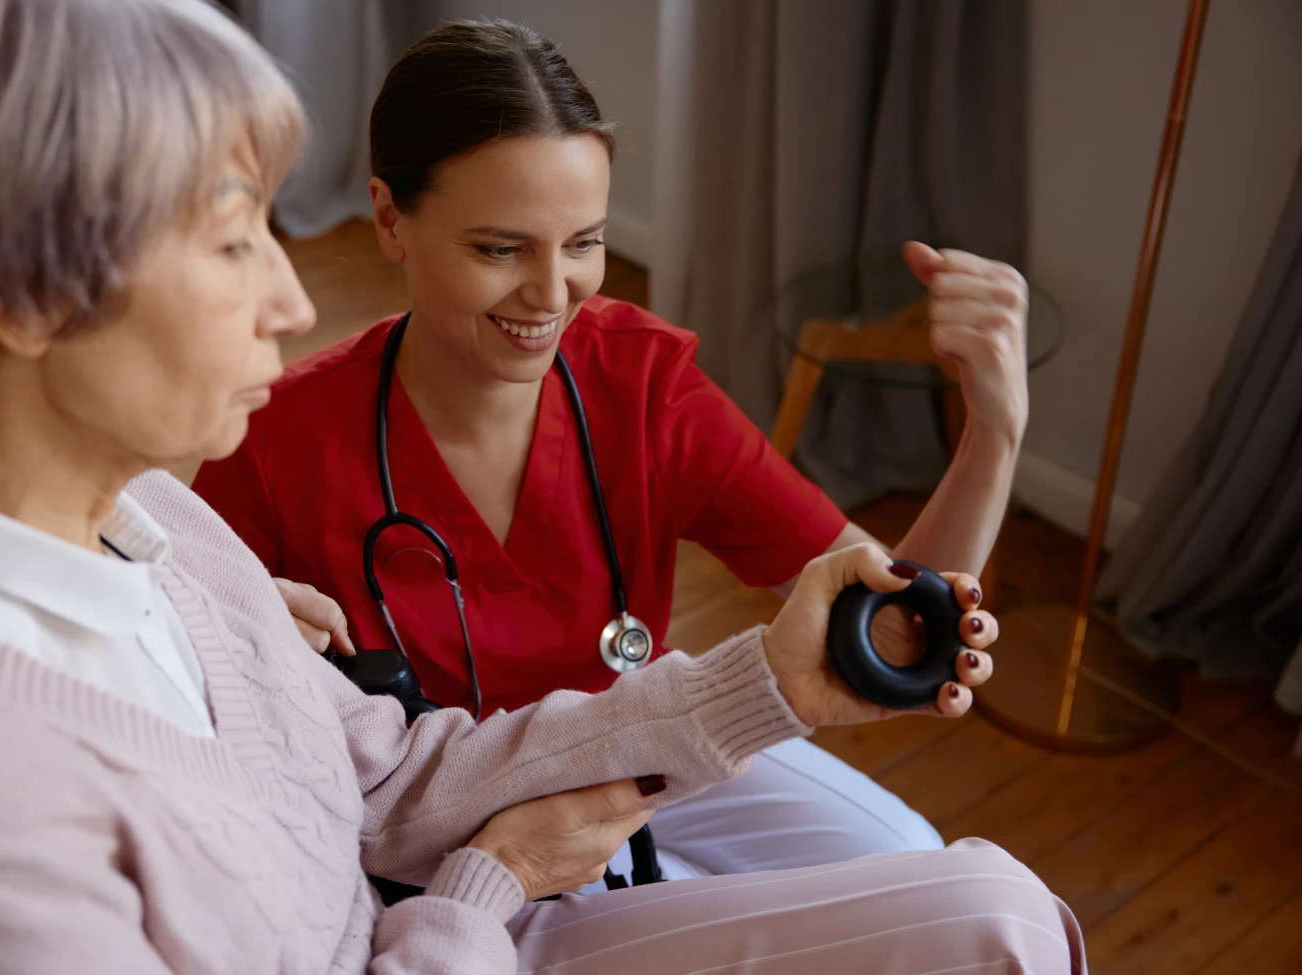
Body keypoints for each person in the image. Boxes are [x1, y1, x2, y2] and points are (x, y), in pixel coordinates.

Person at [0, 1, 1084, 972]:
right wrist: (485, 882)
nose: (290, 293)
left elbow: (389, 768)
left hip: (469, 883)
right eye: (236, 241)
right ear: (18, 290)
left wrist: (773, 683)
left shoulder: (150, 520)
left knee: (995, 913)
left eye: (583, 244)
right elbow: (418, 833)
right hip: (453, 921)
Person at [193, 19, 1032, 886]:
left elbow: (896, 630)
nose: (552, 295)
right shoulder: (268, 446)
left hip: (646, 731)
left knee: (908, 862)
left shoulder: (641, 383)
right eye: (499, 247)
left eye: (583, 242)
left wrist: (994, 429)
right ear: (389, 218)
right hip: (453, 810)